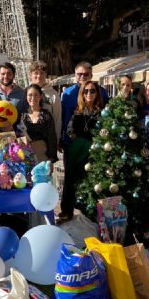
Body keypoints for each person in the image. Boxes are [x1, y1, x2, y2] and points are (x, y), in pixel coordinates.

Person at [60, 80, 104, 222]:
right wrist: (80, 141)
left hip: (94, 154)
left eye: (92, 91)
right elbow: (69, 130)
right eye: (86, 91)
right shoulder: (76, 111)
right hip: (77, 151)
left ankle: (89, 213)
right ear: (82, 94)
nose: (89, 93)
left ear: (97, 93)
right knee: (70, 182)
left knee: (91, 183)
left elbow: (104, 132)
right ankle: (67, 211)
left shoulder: (101, 112)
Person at [21, 84, 57, 163]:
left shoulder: (46, 115)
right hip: (27, 156)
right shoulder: (22, 116)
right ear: (26, 97)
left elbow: (52, 138)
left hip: (43, 155)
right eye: (30, 95)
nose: (33, 98)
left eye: (36, 95)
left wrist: (51, 159)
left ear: (40, 96)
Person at [28, 61, 62, 142]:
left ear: (46, 75)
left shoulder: (53, 95)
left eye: (42, 73)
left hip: (47, 139)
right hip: (29, 138)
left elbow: (57, 118)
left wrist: (57, 139)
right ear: (30, 75)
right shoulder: (26, 92)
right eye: (36, 73)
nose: (39, 76)